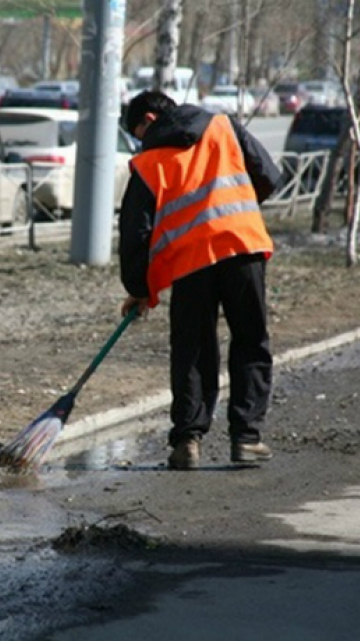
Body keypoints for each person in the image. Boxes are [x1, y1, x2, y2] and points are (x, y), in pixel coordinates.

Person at [118, 90, 282, 470]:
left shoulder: (147, 163)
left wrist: (140, 289)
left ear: (151, 120)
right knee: (250, 340)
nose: (139, 140)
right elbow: (270, 177)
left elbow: (134, 234)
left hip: (189, 262)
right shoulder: (224, 127)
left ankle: (188, 441)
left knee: (192, 348)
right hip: (242, 246)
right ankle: (246, 439)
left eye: (138, 130)